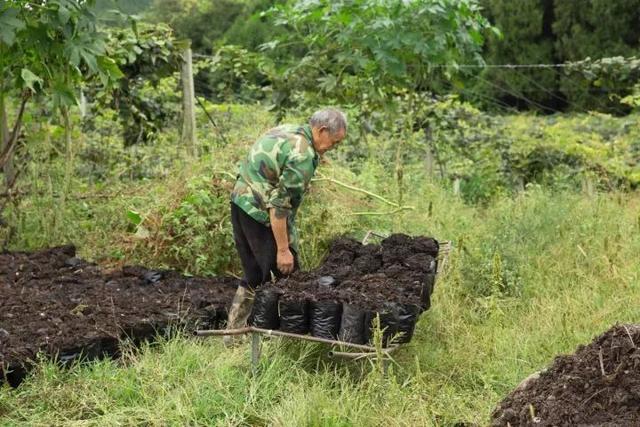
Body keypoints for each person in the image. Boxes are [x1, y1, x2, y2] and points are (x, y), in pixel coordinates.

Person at [224, 108, 347, 343]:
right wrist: (283, 249)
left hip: (240, 202)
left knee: (253, 273)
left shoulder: (288, 130)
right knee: (286, 277)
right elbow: (279, 208)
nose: (334, 147)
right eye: (334, 141)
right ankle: (280, 342)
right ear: (321, 130)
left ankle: (233, 335)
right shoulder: (303, 156)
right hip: (260, 213)